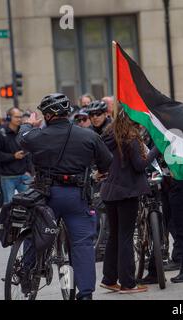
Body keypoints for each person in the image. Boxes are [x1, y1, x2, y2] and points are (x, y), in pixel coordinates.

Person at [18, 93, 113, 300]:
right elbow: (107, 163)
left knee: (35, 233)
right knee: (82, 245)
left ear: (49, 115)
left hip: (46, 196)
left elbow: (22, 139)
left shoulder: (38, 135)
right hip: (76, 197)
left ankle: (27, 272)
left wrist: (29, 125)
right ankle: (85, 293)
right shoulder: (89, 136)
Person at [100, 106, 159, 294]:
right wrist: (157, 148)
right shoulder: (131, 138)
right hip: (127, 192)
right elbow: (140, 165)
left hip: (109, 191)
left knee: (114, 235)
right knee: (125, 236)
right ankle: (128, 282)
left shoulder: (109, 136)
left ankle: (109, 278)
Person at [0, 108, 33, 206]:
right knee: (9, 206)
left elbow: (29, 152)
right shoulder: (1, 133)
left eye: (20, 116)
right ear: (8, 117)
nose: (19, 119)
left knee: (28, 204)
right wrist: (13, 156)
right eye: (16, 117)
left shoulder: (23, 131)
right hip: (8, 177)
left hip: (24, 175)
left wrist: (30, 171)